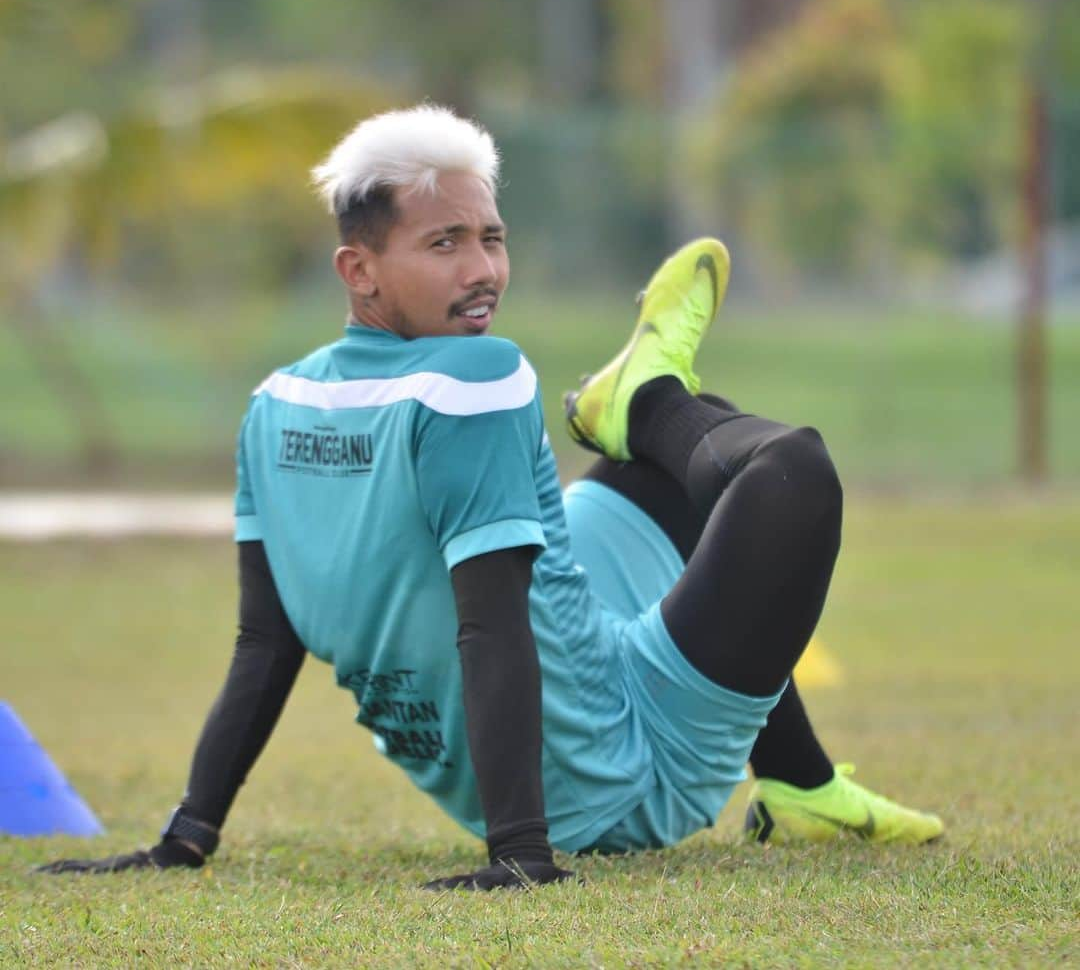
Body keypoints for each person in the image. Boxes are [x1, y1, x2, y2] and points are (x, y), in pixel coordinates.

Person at [40, 105, 942, 889]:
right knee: (787, 473)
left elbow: (264, 642)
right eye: (445, 244)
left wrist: (187, 835)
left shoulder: (273, 406)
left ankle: (803, 788)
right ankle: (650, 399)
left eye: (492, 238)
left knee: (673, 474)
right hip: (620, 772)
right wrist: (521, 850)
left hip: (553, 714)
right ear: (359, 271)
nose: (484, 270)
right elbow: (488, 621)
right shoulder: (476, 374)